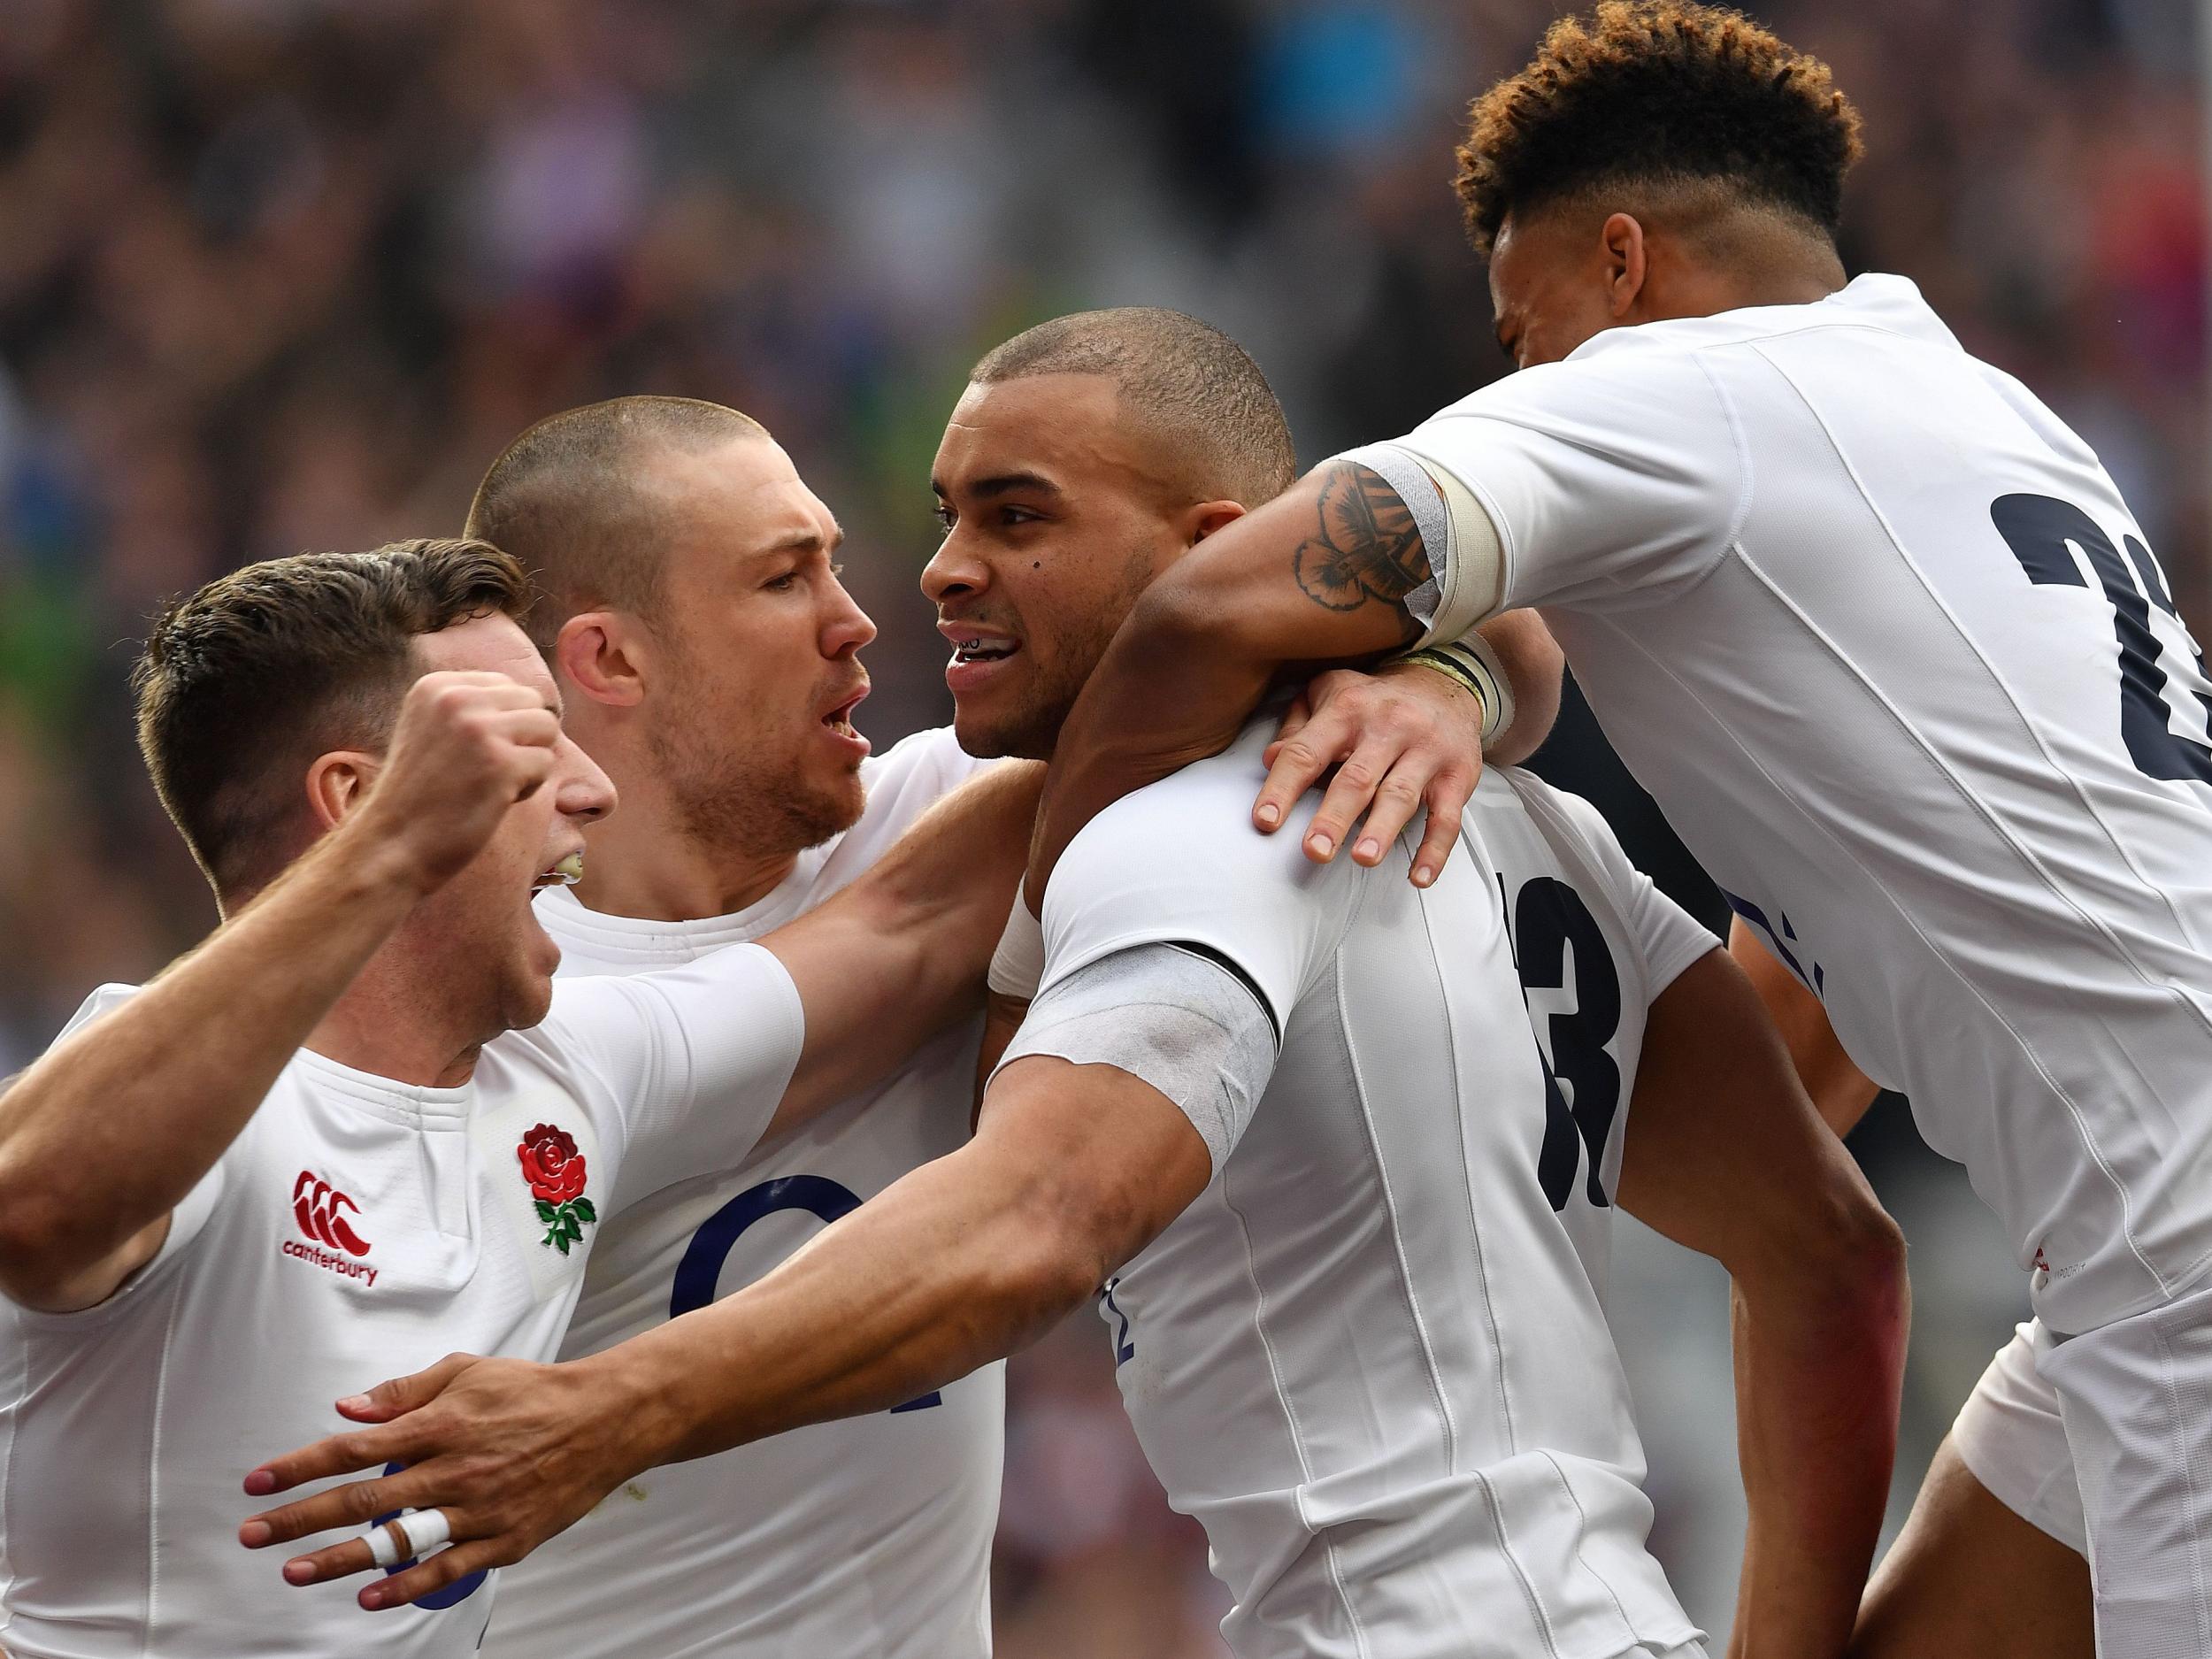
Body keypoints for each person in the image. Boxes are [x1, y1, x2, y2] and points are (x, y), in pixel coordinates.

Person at [240, 311, 1906, 1659]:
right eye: (784, 579)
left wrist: (1457, 667)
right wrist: (1443, 666)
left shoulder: (1129, 824)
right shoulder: (491, 1016)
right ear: (605, 659)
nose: (894, 595)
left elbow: (1041, 1208)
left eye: (1003, 519)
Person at [1012, 7, 2212, 1655]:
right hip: (2135, 1269)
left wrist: (1049, 950)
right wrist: (1453, 685)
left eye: (1519, 335)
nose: (1513, 379)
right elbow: (1802, 1072)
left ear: (1626, 264)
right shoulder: (1984, 414)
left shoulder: (1673, 388)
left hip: (2181, 1254)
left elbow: (1207, 607)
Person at [0, 538, 1033, 1658]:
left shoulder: (568, 1075)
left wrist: (1226, 658)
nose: (592, 789)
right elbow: (28, 1206)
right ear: (360, 797)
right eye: (527, 747)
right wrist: (390, 849)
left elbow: (914, 924)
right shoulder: (175, 1091)